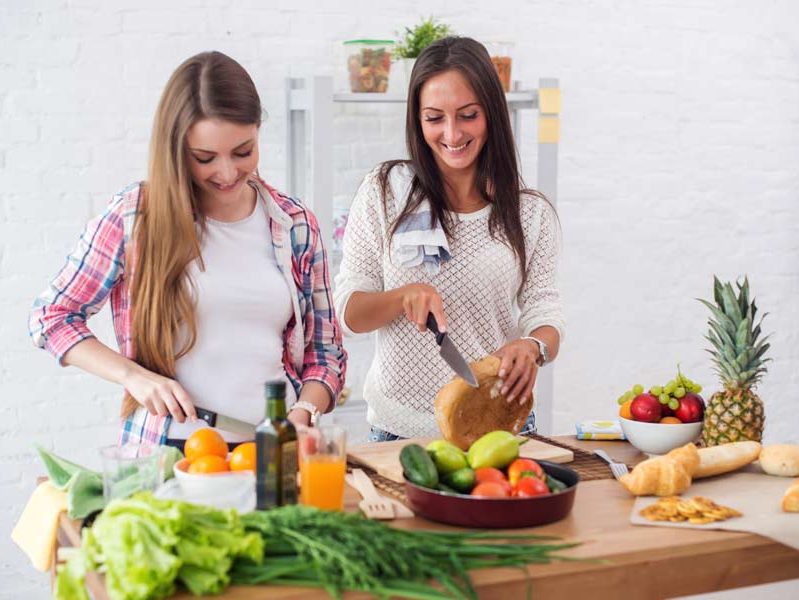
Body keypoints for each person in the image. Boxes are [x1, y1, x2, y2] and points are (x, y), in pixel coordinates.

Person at [29, 52, 346, 451]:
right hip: (169, 453)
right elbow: (51, 317)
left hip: (273, 452)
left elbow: (326, 351)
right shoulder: (136, 217)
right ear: (176, 149)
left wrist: (303, 415)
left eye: (243, 151)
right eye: (205, 158)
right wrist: (134, 377)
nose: (228, 173)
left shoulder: (295, 224)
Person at [334, 37, 564, 442]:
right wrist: (402, 296)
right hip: (397, 433)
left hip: (497, 428)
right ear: (417, 119)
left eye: (468, 115)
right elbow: (349, 314)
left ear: (491, 112)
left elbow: (545, 310)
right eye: (434, 117)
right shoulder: (385, 191)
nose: (452, 133)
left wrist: (532, 346)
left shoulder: (530, 213)